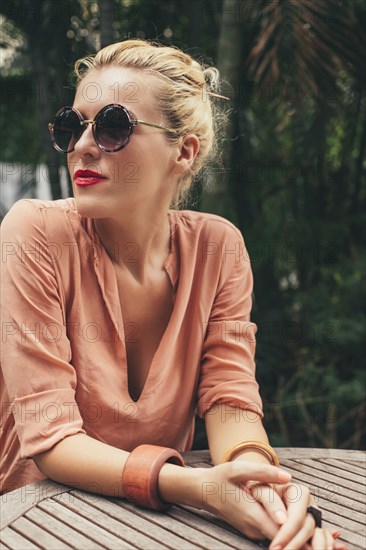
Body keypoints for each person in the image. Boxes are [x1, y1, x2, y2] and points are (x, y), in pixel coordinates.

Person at [0, 39, 345, 550]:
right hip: (34, 522)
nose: (82, 146)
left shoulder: (217, 246)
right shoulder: (35, 232)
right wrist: (201, 489)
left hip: (154, 527)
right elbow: (51, 443)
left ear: (183, 151)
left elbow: (229, 399)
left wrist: (258, 483)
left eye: (114, 126)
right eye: (72, 127)